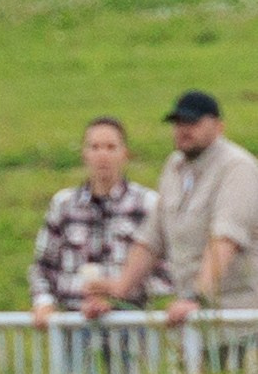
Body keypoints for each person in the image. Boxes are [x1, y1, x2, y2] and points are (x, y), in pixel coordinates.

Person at [82, 90, 258, 325]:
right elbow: (151, 239)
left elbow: (225, 240)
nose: (184, 129)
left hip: (241, 320)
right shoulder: (175, 167)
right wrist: (118, 291)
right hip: (197, 322)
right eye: (178, 122)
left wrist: (197, 298)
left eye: (193, 122)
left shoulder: (237, 168)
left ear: (219, 126)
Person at [28, 117, 159, 323]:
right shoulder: (63, 204)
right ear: (85, 154)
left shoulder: (147, 204)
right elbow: (43, 266)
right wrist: (43, 302)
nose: (102, 155)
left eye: (110, 147)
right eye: (95, 147)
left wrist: (117, 293)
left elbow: (164, 269)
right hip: (74, 323)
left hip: (129, 323)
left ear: (125, 154)